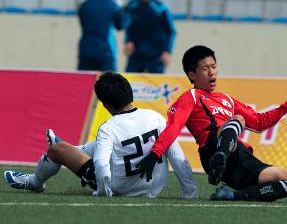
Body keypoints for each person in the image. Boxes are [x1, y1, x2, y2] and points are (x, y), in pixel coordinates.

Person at [136, 45, 287, 202]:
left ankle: (231, 195)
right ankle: (219, 158)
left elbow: (259, 122)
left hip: (240, 157)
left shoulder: (226, 99)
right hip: (211, 148)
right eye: (205, 68)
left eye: (213, 66)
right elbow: (173, 127)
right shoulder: (191, 97)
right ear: (192, 75)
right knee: (238, 119)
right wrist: (155, 154)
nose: (212, 72)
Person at [3, 72, 198, 198]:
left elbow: (103, 165)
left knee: (56, 150)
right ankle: (74, 150)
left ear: (106, 104)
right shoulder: (156, 118)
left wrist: (104, 192)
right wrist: (191, 193)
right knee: (103, 145)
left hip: (120, 189)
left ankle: (34, 182)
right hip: (153, 189)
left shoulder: (109, 126)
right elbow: (178, 158)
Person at [124, 0, 176, 73]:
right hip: (136, 56)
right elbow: (128, 27)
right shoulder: (132, 6)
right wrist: (128, 41)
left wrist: (167, 51)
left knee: (157, 86)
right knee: (127, 85)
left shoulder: (161, 8)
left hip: (156, 56)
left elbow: (171, 31)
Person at [78, 0, 125, 72]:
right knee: (110, 84)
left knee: (84, 83)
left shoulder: (84, 6)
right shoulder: (113, 6)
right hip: (105, 50)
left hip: (86, 49)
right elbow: (120, 25)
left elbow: (82, 23)